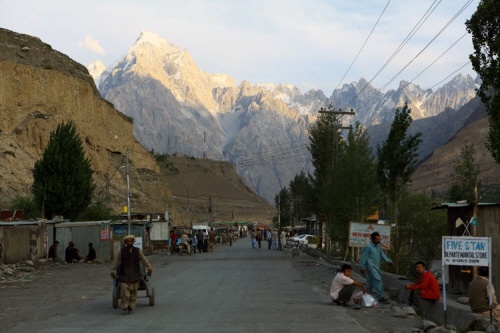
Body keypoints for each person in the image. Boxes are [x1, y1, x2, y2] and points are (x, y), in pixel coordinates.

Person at [110, 235, 152, 315]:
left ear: (133, 242)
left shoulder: (137, 251)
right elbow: (115, 262)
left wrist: (149, 267)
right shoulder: (122, 251)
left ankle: (131, 307)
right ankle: (125, 307)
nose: (129, 243)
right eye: (127, 241)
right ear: (125, 242)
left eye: (131, 241)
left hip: (135, 275)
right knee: (125, 294)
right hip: (124, 275)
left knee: (133, 294)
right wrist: (112, 270)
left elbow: (144, 259)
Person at [360, 232, 395, 303]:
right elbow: (364, 257)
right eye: (376, 239)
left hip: (376, 266)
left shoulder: (378, 247)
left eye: (379, 239)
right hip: (370, 266)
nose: (378, 241)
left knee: (370, 282)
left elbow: (383, 255)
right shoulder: (368, 247)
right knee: (378, 281)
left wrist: (389, 261)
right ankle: (380, 296)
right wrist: (362, 267)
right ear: (372, 239)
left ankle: (366, 296)